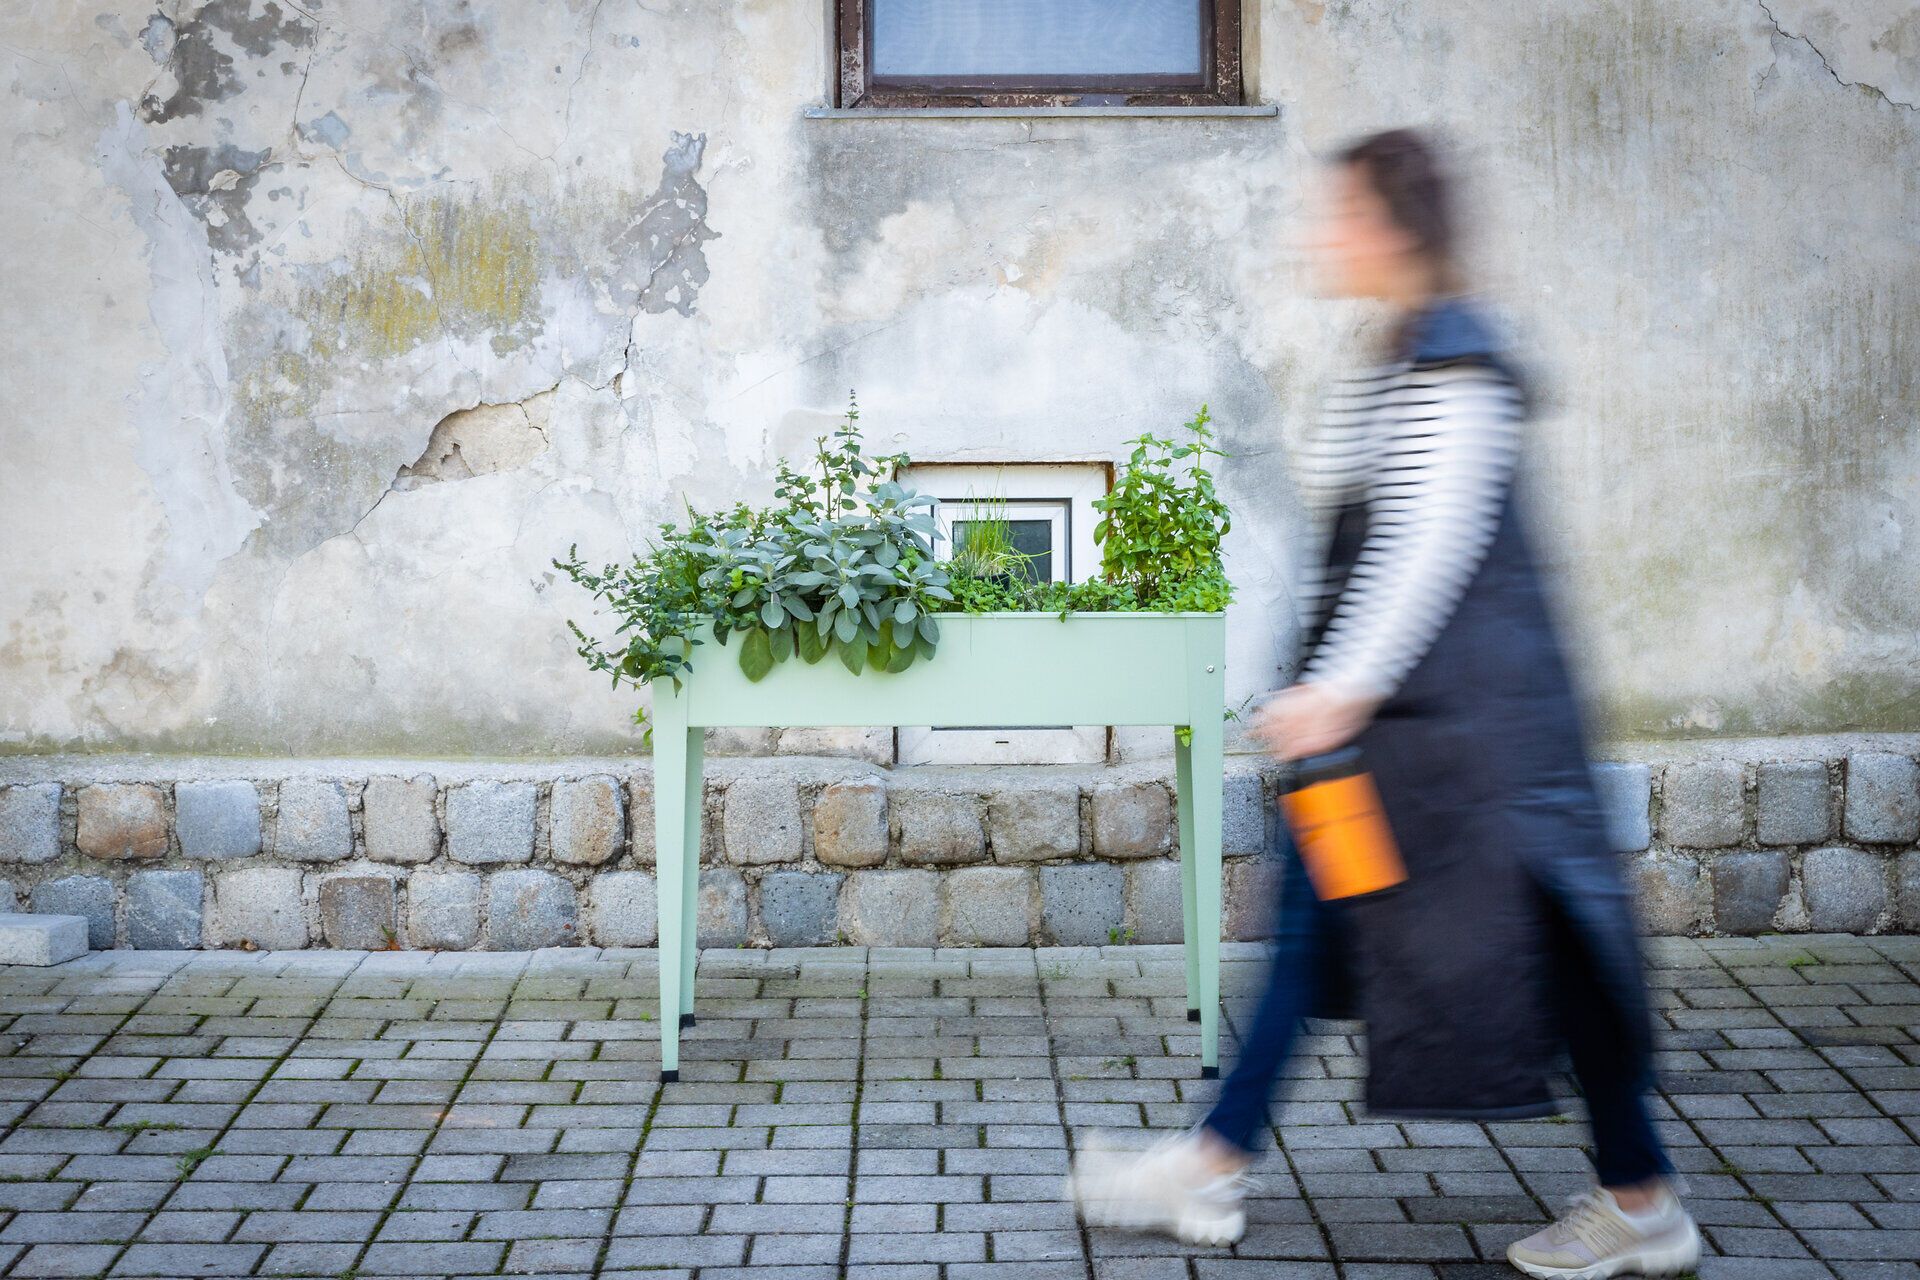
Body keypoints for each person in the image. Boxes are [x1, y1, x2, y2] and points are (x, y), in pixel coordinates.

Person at [1067, 129, 1701, 1280]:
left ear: (1398, 226)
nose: (1323, 234)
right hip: (1405, 752)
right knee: (1313, 927)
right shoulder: (1405, 351)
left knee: (1557, 959)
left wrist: (1336, 694)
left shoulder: (1456, 364)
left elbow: (1429, 548)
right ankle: (1212, 1166)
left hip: (1476, 757)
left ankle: (1641, 1195)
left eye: (1342, 213)